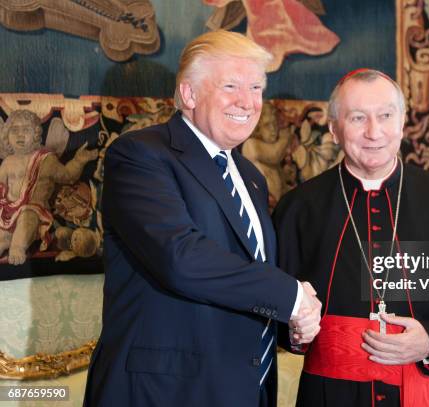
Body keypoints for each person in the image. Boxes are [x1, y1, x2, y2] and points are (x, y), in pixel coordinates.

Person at [83, 30, 322, 407]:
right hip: (165, 393)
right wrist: (290, 296)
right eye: (231, 86)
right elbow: (181, 258)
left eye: (257, 87)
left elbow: (244, 277)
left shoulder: (252, 178)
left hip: (245, 390)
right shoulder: (140, 156)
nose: (248, 102)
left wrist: (290, 325)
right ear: (189, 94)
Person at [273, 69, 429, 407]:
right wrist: (294, 332)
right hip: (330, 396)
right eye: (358, 117)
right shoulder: (299, 207)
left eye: (385, 116)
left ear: (402, 123)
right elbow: (271, 304)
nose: (374, 132)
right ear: (334, 129)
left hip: (419, 390)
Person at [0, 109, 97, 265]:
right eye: (14, 130)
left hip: (34, 212)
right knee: (3, 233)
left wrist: (79, 161)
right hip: (8, 212)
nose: (19, 135)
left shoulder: (46, 160)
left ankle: (17, 247)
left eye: (26, 130)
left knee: (27, 217)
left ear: (36, 134)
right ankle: (4, 242)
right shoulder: (7, 162)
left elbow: (67, 176)